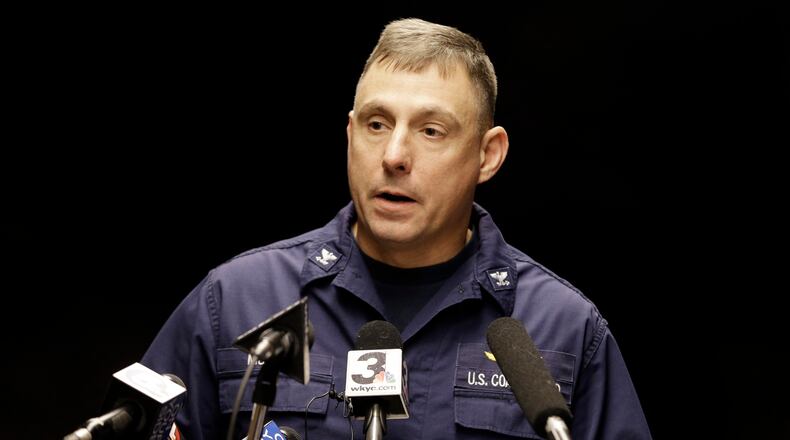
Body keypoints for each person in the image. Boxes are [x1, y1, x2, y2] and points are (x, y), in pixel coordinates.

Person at [142, 18, 652, 439]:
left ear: (486, 155)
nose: (393, 156)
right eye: (376, 124)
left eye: (431, 131)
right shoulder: (233, 302)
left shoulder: (564, 328)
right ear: (349, 134)